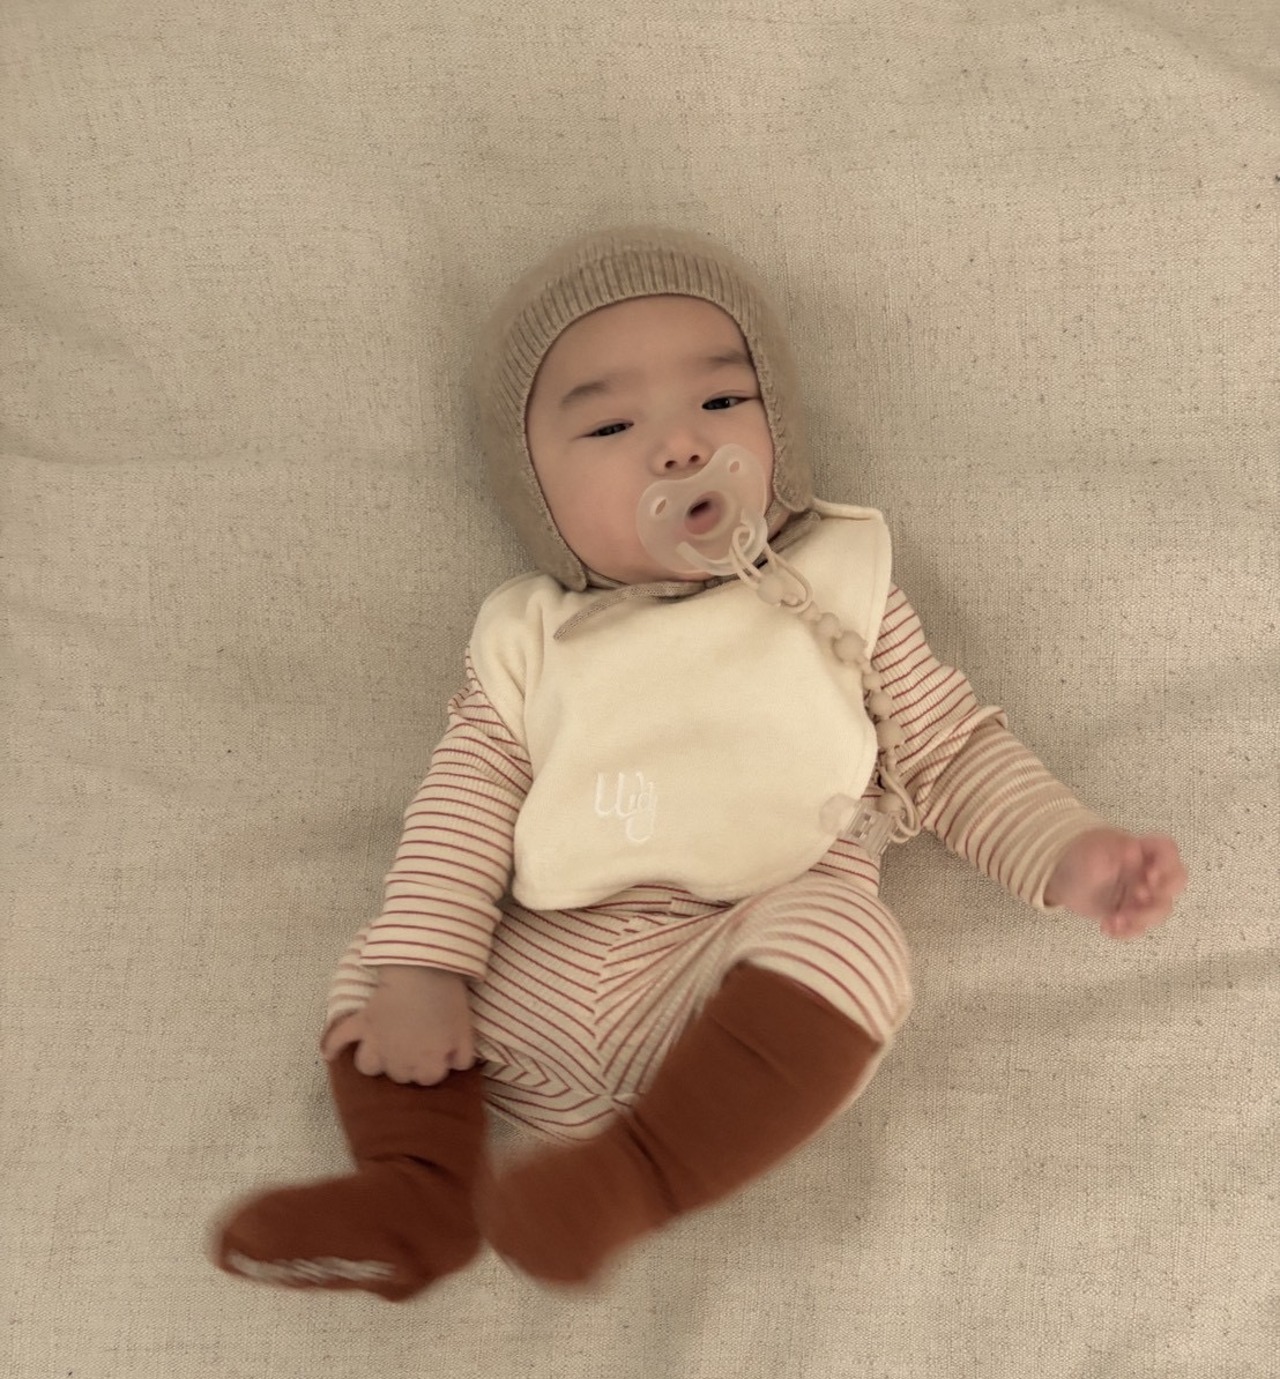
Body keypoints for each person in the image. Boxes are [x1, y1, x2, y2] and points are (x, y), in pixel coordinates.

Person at [210, 225, 1188, 1301]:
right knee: (379, 962)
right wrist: (426, 971)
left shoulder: (835, 589)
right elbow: (464, 803)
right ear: (535, 493)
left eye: (720, 402)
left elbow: (949, 750)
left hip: (728, 978)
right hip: (541, 966)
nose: (679, 446)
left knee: (855, 948)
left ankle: (630, 1181)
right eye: (611, 424)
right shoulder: (533, 637)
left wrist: (1067, 852)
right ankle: (416, 1189)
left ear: (780, 436)